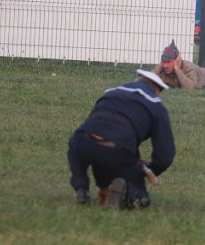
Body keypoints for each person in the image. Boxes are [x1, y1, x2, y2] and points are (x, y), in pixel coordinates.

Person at [67, 69, 175, 209]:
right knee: (142, 199)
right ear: (157, 91)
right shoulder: (157, 107)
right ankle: (126, 192)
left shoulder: (111, 93)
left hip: (83, 141)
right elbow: (165, 156)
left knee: (88, 146)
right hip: (117, 149)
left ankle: (82, 189)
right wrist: (145, 169)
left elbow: (99, 131)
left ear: (136, 80)